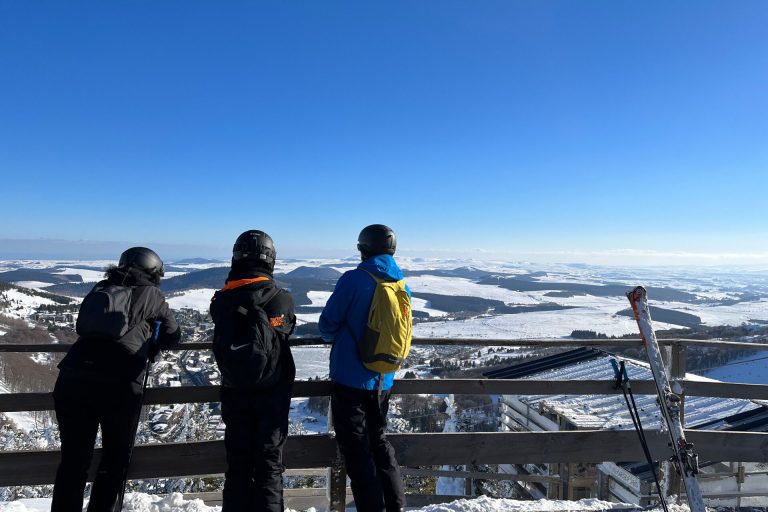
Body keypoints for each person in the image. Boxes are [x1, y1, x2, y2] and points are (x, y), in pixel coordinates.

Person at [52, 247, 180, 512]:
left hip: (73, 377)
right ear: (154, 272)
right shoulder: (152, 294)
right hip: (119, 384)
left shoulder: (101, 288)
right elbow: (173, 333)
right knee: (115, 459)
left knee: (74, 461)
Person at [319, 224, 410, 512]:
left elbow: (327, 325)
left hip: (350, 379)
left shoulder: (354, 279)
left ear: (363, 249)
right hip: (384, 379)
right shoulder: (401, 284)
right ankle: (395, 507)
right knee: (380, 444)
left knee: (357, 453)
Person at [210, 229, 296, 512]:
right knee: (269, 466)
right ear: (270, 259)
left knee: (237, 466)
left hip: (235, 392)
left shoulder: (221, 300)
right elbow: (285, 329)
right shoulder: (280, 298)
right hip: (272, 394)